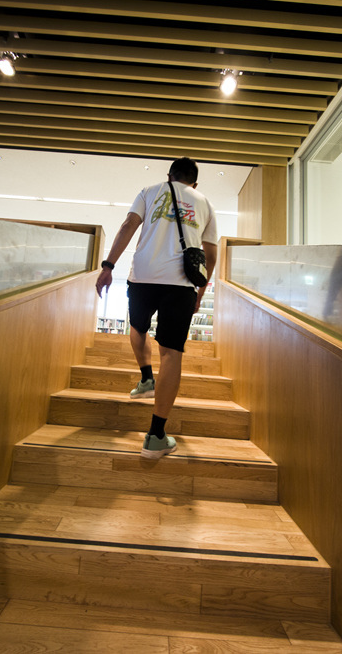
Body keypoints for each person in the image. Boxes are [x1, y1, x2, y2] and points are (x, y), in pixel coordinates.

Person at [95, 157, 218, 459]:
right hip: (181, 284)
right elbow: (211, 254)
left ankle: (146, 377)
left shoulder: (150, 191)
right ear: (195, 182)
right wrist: (200, 291)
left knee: (137, 327)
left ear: (169, 176)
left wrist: (108, 266)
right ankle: (156, 436)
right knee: (172, 352)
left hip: (143, 277)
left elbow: (127, 225)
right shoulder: (205, 203)